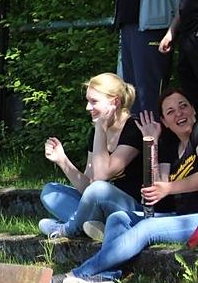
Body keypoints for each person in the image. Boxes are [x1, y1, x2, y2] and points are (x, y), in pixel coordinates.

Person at [59, 89, 198, 283]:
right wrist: (152, 142)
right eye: (171, 111)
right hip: (179, 215)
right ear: (165, 122)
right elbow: (158, 184)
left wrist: (169, 188)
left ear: (194, 109)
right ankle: (106, 277)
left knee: (147, 228)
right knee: (118, 218)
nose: (179, 113)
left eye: (183, 106)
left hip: (194, 220)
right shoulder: (171, 146)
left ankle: (78, 274)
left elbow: (169, 186)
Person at [39, 73, 144, 239]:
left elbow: (101, 176)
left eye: (94, 101)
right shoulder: (95, 132)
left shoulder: (134, 129)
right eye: (88, 101)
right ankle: (95, 226)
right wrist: (62, 160)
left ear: (115, 102)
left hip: (130, 209)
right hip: (99, 205)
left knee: (99, 189)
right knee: (50, 192)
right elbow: (87, 187)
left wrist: (101, 127)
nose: (88, 107)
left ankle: (68, 229)